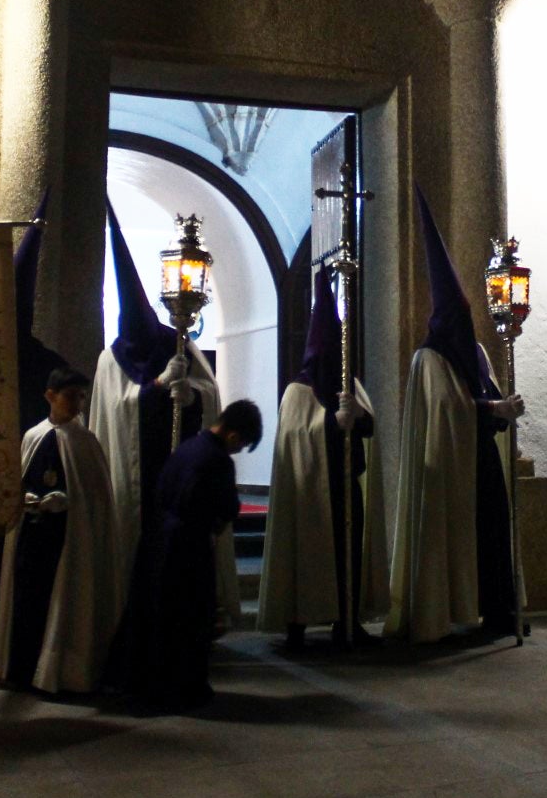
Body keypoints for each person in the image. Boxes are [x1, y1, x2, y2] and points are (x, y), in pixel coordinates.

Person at [386, 188, 526, 643]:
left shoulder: (477, 351)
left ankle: (499, 609)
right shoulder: (429, 359)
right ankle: (449, 610)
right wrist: (492, 408)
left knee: (494, 531)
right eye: (460, 314)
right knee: (461, 537)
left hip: (480, 456)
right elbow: (448, 410)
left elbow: (484, 391)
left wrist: (504, 405)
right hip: (449, 467)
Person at [90, 204, 224, 603]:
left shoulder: (177, 343)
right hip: (136, 475)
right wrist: (158, 386)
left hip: (177, 470)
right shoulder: (110, 359)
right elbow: (114, 413)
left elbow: (211, 395)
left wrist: (193, 397)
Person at [257, 276, 387, 649]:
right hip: (312, 494)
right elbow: (298, 438)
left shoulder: (348, 385)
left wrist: (358, 416)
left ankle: (347, 620)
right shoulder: (297, 391)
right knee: (307, 556)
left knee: (350, 556)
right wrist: (333, 423)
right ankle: (297, 622)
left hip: (346, 485)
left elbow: (370, 426)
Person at [0, 367, 120, 693]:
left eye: (80, 396)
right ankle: (20, 670)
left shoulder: (85, 443)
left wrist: (67, 502)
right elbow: (16, 486)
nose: (77, 403)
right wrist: (29, 500)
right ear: (50, 396)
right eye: (70, 396)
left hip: (69, 540)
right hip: (30, 539)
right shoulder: (32, 437)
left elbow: (95, 500)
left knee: (64, 602)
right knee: (26, 601)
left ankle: (58, 672)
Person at [130, 400, 261, 708]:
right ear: (233, 435)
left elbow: (162, 490)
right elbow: (227, 506)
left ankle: (157, 685)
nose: (237, 451)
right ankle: (185, 688)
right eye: (241, 445)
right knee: (190, 619)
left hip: (160, 541)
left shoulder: (187, 448)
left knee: (164, 617)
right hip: (189, 548)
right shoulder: (217, 460)